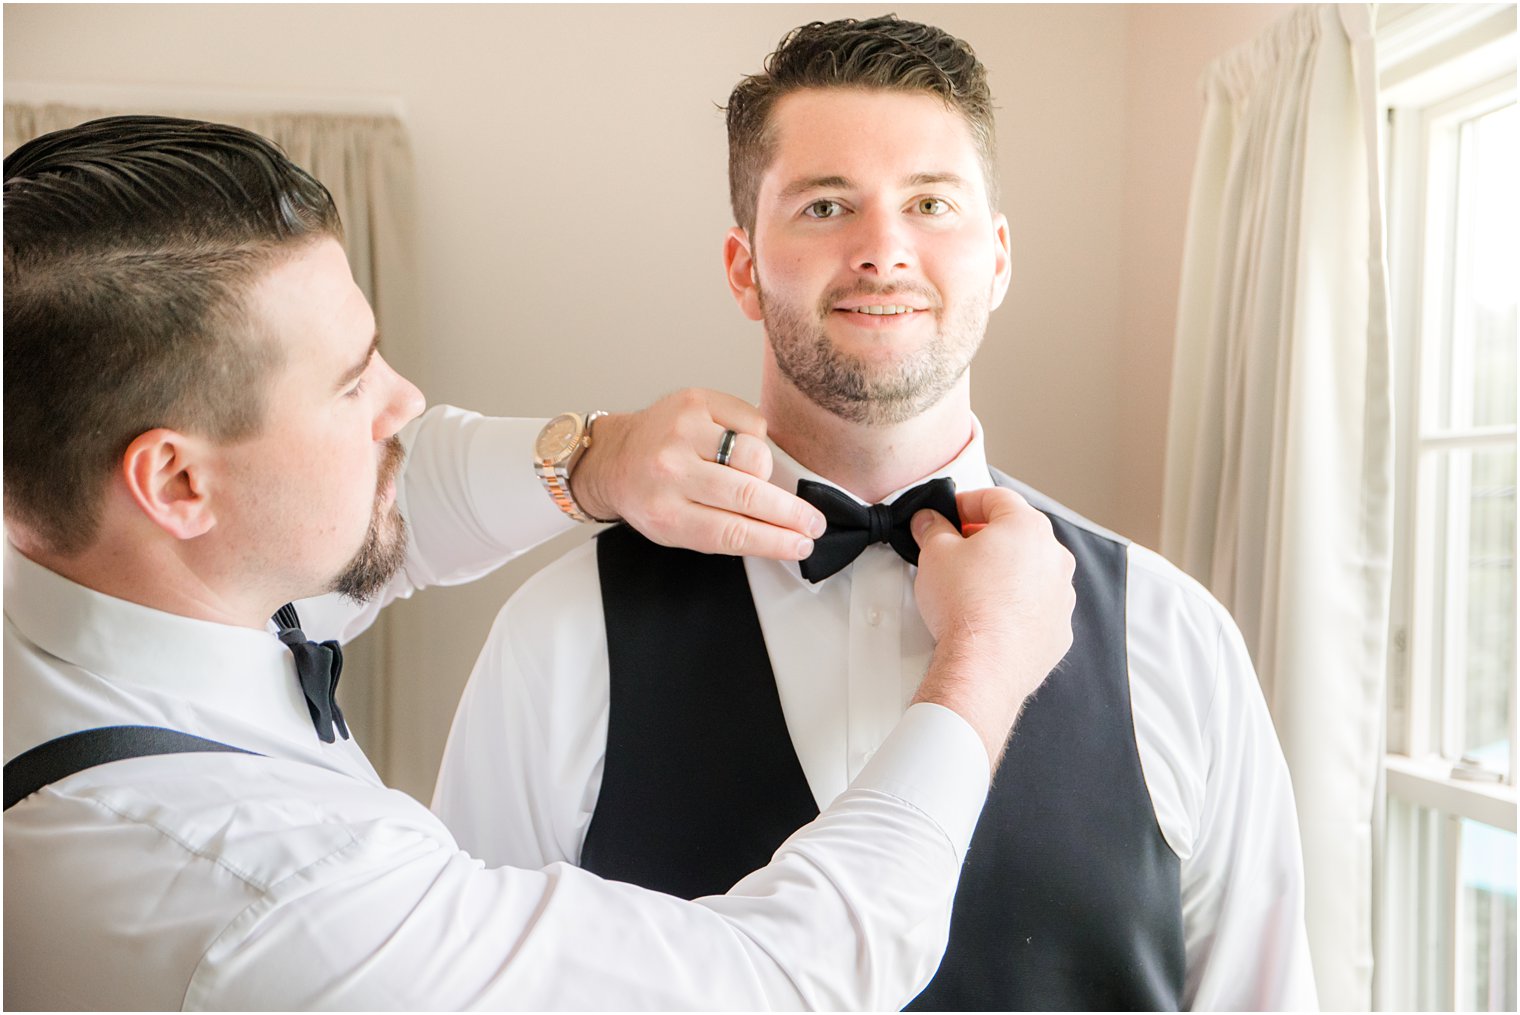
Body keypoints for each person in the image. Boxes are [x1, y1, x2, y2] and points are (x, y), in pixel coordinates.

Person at [2, 115, 1080, 1010]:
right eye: (349, 385)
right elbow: (784, 979)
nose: (405, 405)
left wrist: (590, 458)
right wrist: (984, 657)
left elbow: (393, 493)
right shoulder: (283, 904)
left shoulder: (85, 559)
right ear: (177, 484)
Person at [435, 15, 1319, 1012]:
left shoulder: (1174, 634)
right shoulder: (559, 636)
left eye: (929, 203)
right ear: (741, 267)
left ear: (995, 258)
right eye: (824, 205)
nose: (882, 250)